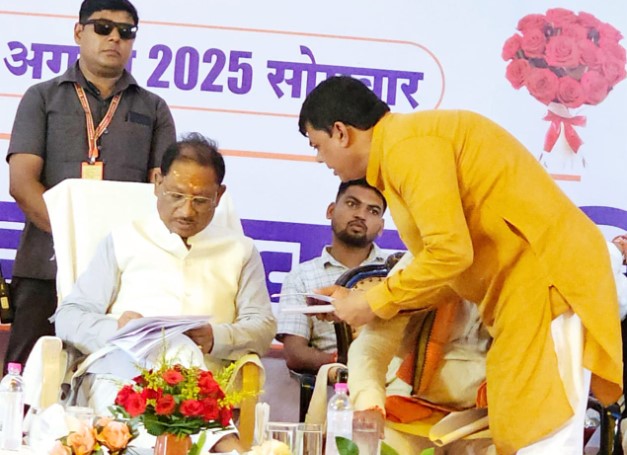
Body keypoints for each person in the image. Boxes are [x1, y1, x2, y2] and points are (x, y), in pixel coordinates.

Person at [298, 75, 622, 454]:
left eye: (317, 145)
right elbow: (446, 271)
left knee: (539, 434)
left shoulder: (407, 147)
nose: (318, 158)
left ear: (341, 132)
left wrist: (371, 302)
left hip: (548, 283)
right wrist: (363, 300)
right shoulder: (403, 149)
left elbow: (449, 253)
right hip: (524, 291)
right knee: (521, 426)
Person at [54, 134, 276, 452]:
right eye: (176, 195)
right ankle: (223, 443)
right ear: (157, 182)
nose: (186, 211)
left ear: (220, 195)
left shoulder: (240, 250)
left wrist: (214, 337)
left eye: (201, 200)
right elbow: (69, 316)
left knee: (179, 347)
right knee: (171, 345)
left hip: (200, 378)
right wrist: (118, 330)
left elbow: (263, 327)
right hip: (122, 372)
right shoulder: (124, 239)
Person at [4, 0, 176, 373]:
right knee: (29, 375)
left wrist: (107, 254)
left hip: (122, 275)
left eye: (126, 32)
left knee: (116, 379)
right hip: (46, 264)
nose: (115, 38)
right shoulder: (41, 97)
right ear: (78, 32)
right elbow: (21, 182)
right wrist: (76, 241)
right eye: (102, 28)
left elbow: (163, 192)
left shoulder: (154, 109)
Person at [275, 178, 386, 374]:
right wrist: (342, 365)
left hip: (391, 379)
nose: (361, 215)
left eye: (373, 211)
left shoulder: (395, 273)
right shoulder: (302, 276)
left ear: (381, 227)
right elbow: (295, 353)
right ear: (331, 211)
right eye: (352, 204)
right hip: (331, 383)